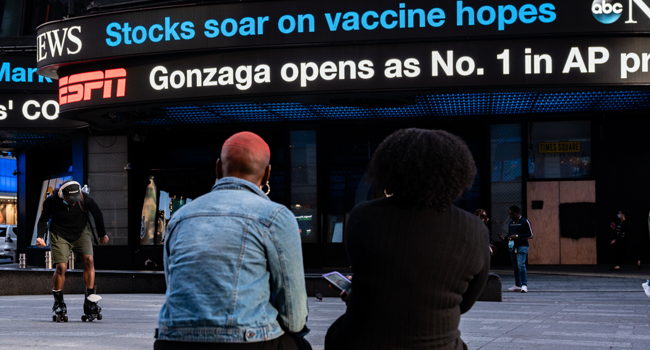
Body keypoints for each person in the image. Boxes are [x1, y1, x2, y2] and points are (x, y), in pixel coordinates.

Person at [325, 128, 490, 350]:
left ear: (390, 171)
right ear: (456, 173)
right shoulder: (474, 228)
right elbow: (465, 303)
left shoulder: (362, 215)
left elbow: (368, 270)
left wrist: (362, 295)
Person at [155, 131, 311, 350]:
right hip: (243, 341)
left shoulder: (180, 217)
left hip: (171, 340)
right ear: (267, 174)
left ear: (218, 168)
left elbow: (173, 284)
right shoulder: (275, 216)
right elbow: (294, 317)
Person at [35, 180, 109, 321]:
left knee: (89, 260)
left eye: (76, 199)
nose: (74, 202)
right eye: (71, 200)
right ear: (63, 195)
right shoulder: (52, 201)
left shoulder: (85, 198)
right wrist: (40, 237)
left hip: (80, 232)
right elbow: (43, 219)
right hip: (59, 233)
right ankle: (59, 302)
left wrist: (102, 234)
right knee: (61, 266)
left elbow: (98, 214)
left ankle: (90, 301)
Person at [500, 205, 533, 293]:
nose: (510, 216)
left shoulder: (524, 221)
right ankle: (517, 284)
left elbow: (530, 235)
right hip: (513, 246)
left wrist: (517, 236)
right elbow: (511, 234)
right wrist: (505, 238)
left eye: (512, 214)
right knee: (515, 266)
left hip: (522, 246)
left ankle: (524, 285)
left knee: (521, 264)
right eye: (509, 214)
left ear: (517, 213)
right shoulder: (511, 223)